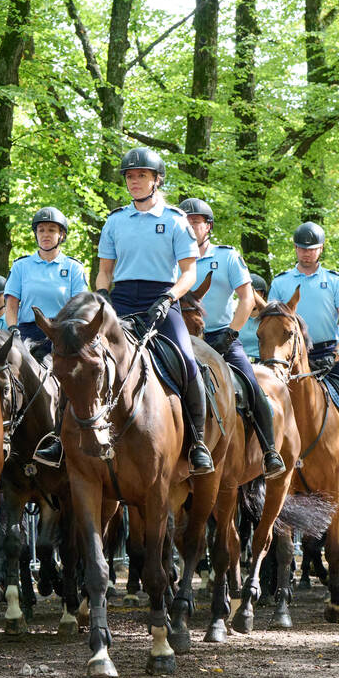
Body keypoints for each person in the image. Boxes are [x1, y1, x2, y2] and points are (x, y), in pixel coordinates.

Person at [93, 147, 214, 474]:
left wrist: (170, 297)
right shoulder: (115, 221)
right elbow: (105, 270)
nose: (134, 182)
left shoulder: (175, 220)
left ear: (156, 180)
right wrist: (103, 294)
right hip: (121, 300)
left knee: (188, 362)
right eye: (130, 177)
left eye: (141, 176)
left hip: (163, 299)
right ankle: (65, 437)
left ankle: (199, 442)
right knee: (85, 358)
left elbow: (190, 272)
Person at [269, 222, 339, 486]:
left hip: (329, 354)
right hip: (289, 357)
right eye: (302, 248)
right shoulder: (281, 282)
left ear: (320, 249)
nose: (306, 253)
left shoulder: (334, 281)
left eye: (312, 249)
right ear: (295, 249)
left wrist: (338, 353)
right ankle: (267, 459)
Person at [184, 198, 285, 478]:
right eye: (186, 222)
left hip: (221, 337)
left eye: (196, 221)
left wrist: (231, 333)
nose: (191, 227)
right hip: (184, 337)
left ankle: (269, 451)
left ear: (209, 227)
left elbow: (246, 298)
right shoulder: (173, 259)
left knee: (253, 388)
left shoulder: (227, 256)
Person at [4, 207, 88, 361]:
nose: (45, 235)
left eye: (51, 230)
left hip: (62, 333)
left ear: (61, 235)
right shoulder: (20, 266)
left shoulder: (73, 267)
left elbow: (80, 306)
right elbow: (11, 305)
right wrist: (13, 329)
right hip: (27, 334)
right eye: (41, 230)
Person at [239, 273, 268, 361]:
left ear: (262, 294)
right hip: (240, 362)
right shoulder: (234, 318)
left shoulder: (269, 320)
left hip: (263, 362)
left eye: (253, 292)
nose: (248, 296)